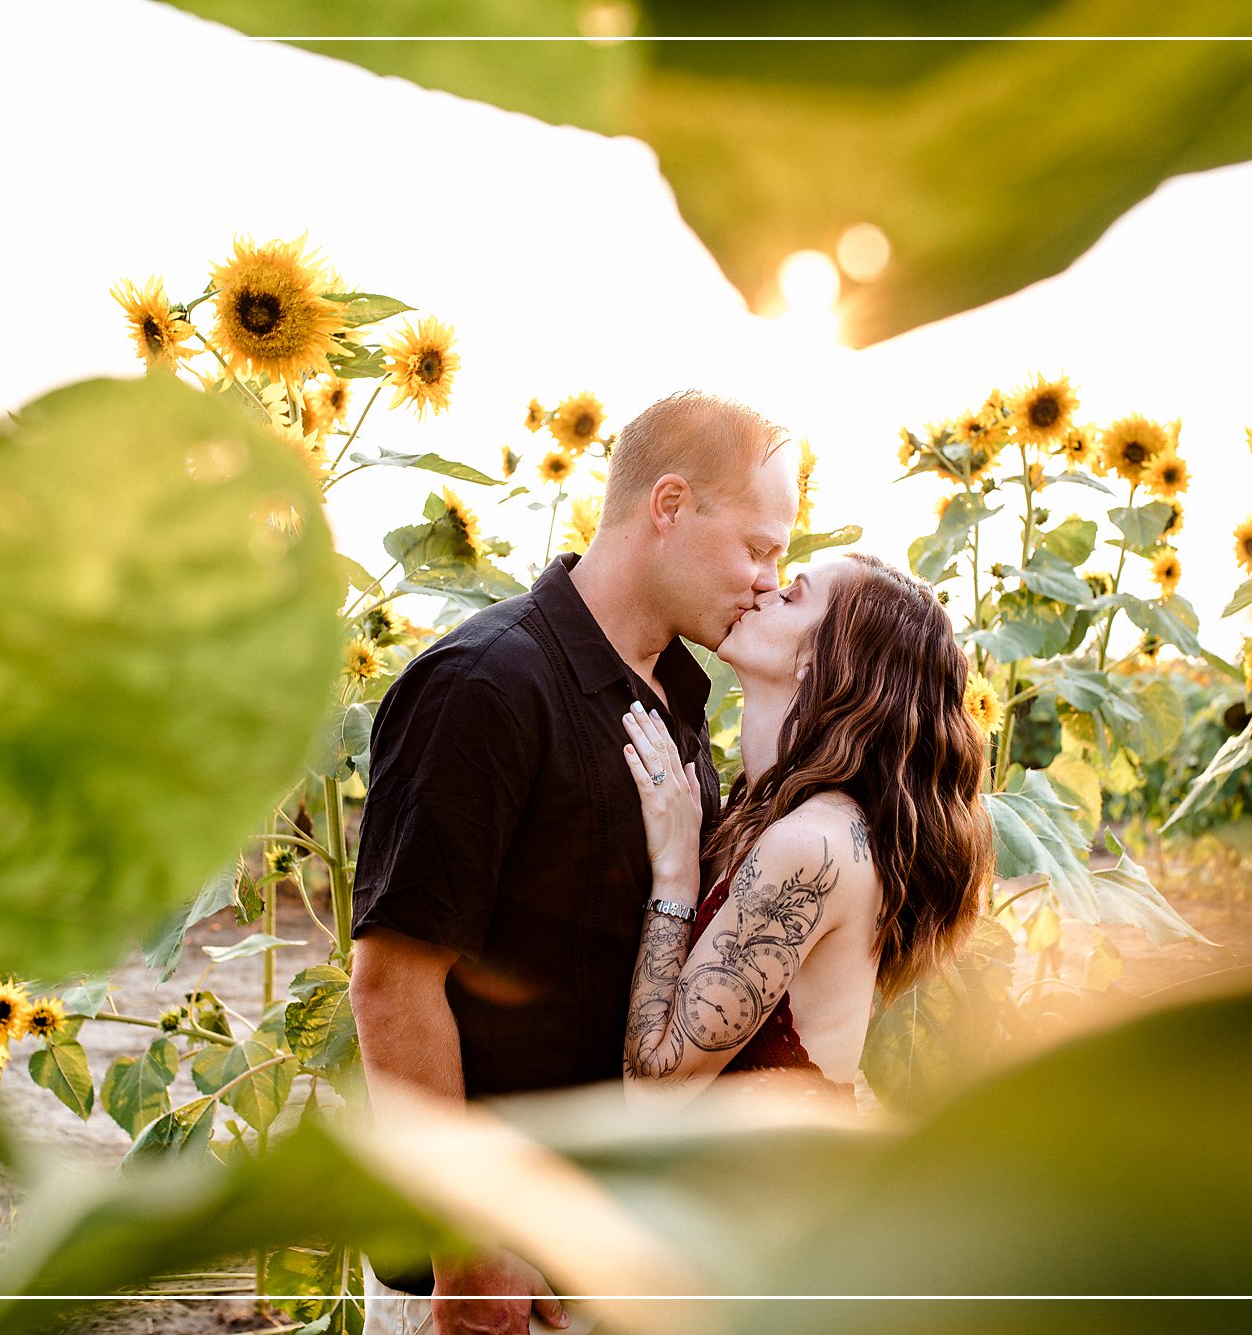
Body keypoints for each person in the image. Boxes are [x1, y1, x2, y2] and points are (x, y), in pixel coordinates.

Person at [348, 390, 800, 1335]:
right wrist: (469, 1249)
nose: (769, 579)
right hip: (484, 1268)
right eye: (758, 547)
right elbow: (393, 985)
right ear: (668, 505)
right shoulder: (486, 684)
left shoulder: (679, 700)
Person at [617, 553, 994, 1108]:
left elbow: (654, 1088)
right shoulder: (760, 805)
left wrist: (675, 874)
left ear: (821, 661)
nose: (764, 589)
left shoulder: (814, 845)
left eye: (792, 595)